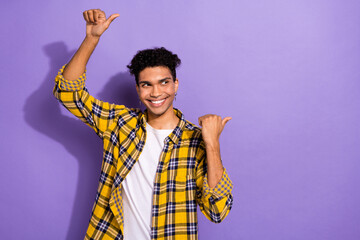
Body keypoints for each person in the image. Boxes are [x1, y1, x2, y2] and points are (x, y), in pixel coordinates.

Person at [53, 9, 233, 240]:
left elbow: (217, 211)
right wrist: (92, 38)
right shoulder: (121, 123)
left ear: (175, 85)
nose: (156, 92)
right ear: (138, 89)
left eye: (164, 82)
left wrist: (212, 144)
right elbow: (69, 94)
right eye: (146, 84)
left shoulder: (195, 140)